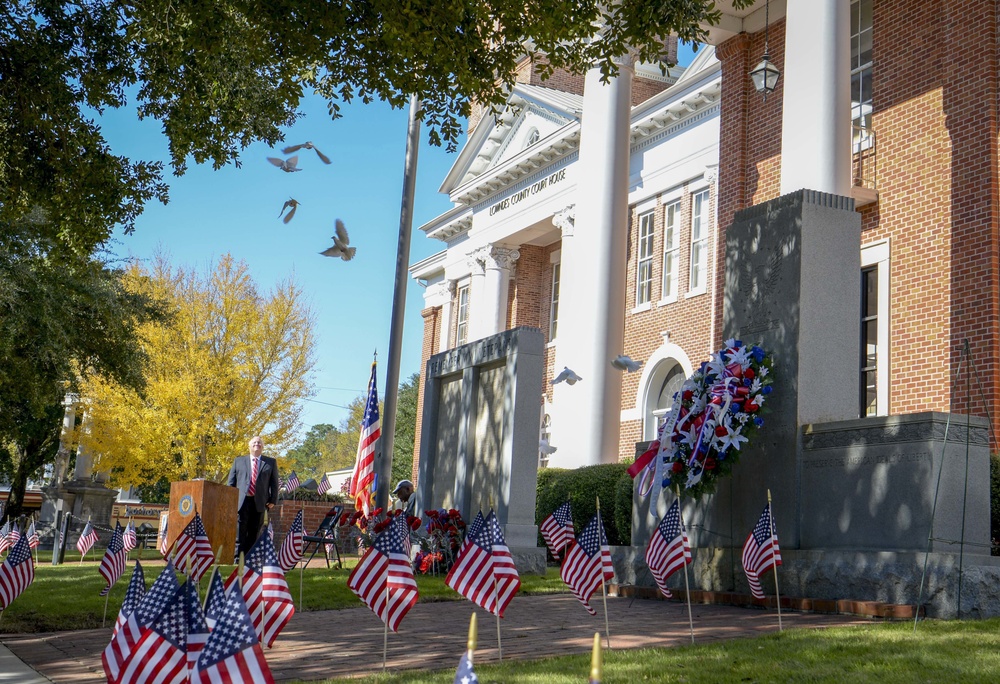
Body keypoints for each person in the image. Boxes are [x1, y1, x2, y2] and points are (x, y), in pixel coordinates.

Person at [227, 435, 279, 558]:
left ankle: (249, 560)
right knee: (240, 532)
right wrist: (230, 500)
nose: (257, 444)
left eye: (260, 443)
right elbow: (231, 483)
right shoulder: (238, 461)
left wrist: (273, 500)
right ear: (249, 446)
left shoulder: (270, 462)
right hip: (241, 502)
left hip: (260, 502)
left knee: (254, 532)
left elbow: (274, 483)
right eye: (255, 442)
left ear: (263, 447)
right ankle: (237, 559)